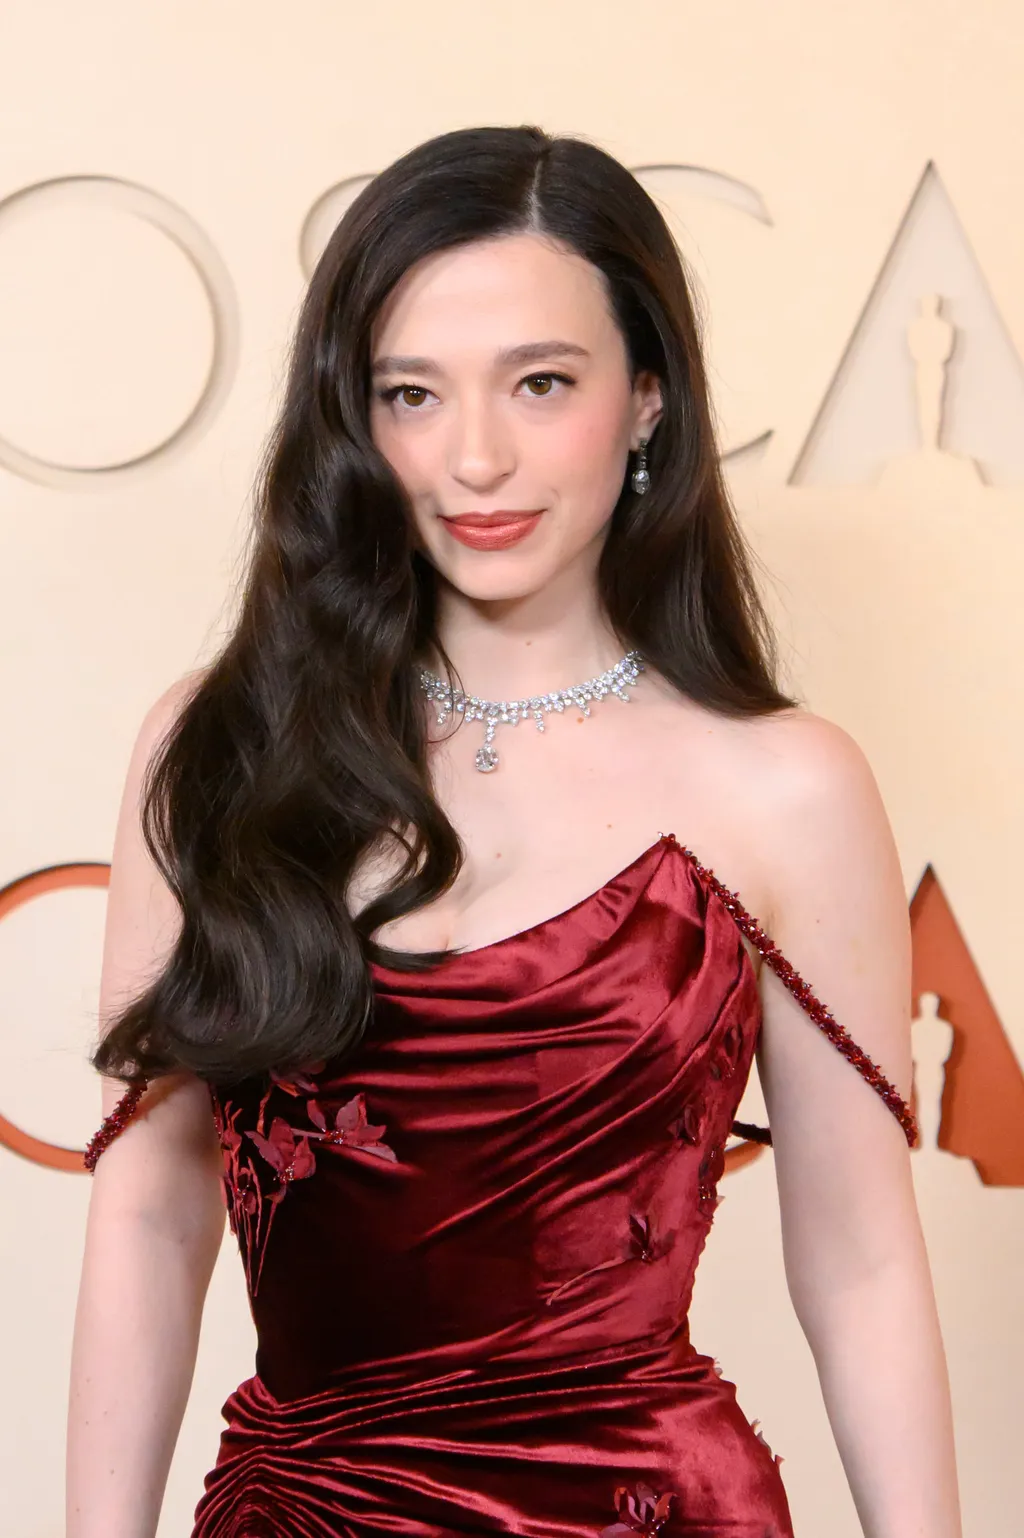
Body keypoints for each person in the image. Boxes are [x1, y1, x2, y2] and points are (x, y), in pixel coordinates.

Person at [66, 124, 961, 1538]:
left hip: (646, 1512)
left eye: (541, 384)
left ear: (649, 396)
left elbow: (858, 1263)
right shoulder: (221, 744)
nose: (474, 457)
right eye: (411, 393)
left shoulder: (786, 784)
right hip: (304, 1511)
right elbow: (148, 1209)